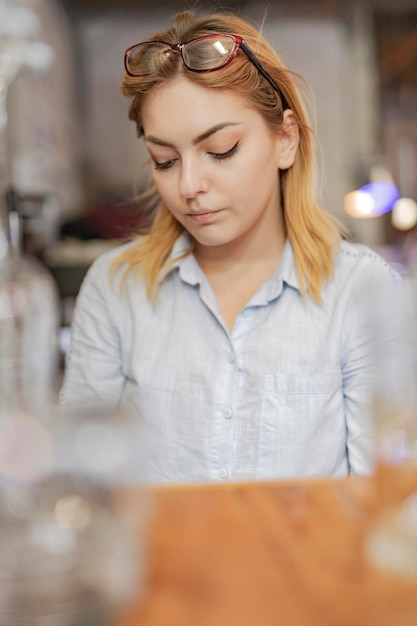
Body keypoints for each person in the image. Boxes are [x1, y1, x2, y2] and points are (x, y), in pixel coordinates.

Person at [59, 9, 398, 484]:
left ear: (285, 140)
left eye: (220, 151)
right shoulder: (116, 290)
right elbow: (84, 486)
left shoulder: (359, 290)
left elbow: (383, 495)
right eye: (165, 160)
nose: (189, 185)